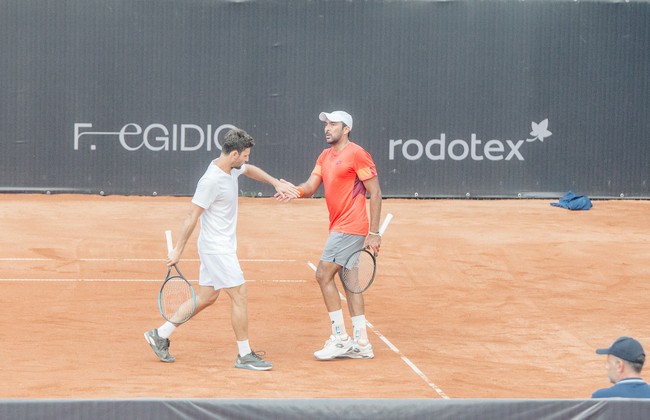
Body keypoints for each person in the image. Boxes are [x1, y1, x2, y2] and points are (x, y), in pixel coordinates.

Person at [144, 128, 298, 371]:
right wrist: (177, 250)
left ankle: (160, 334)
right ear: (234, 154)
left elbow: (251, 170)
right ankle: (244, 355)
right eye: (245, 156)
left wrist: (275, 183)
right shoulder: (211, 180)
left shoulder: (232, 168)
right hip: (217, 249)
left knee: (207, 296)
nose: (246, 160)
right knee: (240, 294)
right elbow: (191, 216)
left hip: (219, 246)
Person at [286, 110, 382, 360]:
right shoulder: (325, 155)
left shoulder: (357, 154)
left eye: (333, 124)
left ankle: (340, 337)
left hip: (351, 226)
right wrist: (294, 191)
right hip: (339, 225)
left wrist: (374, 232)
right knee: (350, 283)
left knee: (323, 274)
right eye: (326, 124)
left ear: (346, 129)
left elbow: (376, 192)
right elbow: (310, 186)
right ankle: (361, 342)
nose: (327, 128)